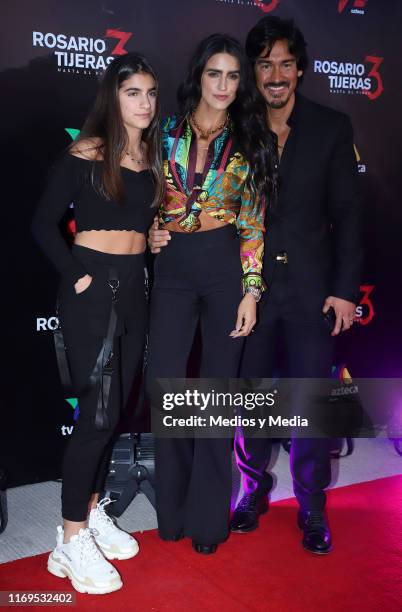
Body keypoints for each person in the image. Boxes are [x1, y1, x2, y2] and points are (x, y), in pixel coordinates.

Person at [149, 17, 362, 555]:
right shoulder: (238, 131)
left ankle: (312, 507)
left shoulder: (332, 127)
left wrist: (343, 288)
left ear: (300, 69)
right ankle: (252, 492)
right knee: (247, 400)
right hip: (250, 286)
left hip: (312, 289)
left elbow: (350, 215)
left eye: (285, 63)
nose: (275, 74)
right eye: (264, 63)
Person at [31, 53, 163, 593]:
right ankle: (69, 540)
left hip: (135, 288)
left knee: (112, 415)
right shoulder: (87, 153)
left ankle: (91, 509)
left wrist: (154, 240)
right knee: (96, 417)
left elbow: (141, 225)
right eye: (134, 92)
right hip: (92, 288)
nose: (145, 103)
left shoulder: (152, 159)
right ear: (113, 97)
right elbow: (41, 225)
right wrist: (77, 277)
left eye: (152, 93)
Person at [146, 33, 277, 555]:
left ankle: (207, 521)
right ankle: (172, 512)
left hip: (225, 267)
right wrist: (154, 228)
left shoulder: (251, 139)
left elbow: (253, 223)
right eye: (214, 74)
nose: (223, 85)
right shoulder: (164, 131)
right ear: (198, 75)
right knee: (171, 390)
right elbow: (148, 197)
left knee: (218, 396)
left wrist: (250, 291)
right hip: (174, 266)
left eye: (232, 76)